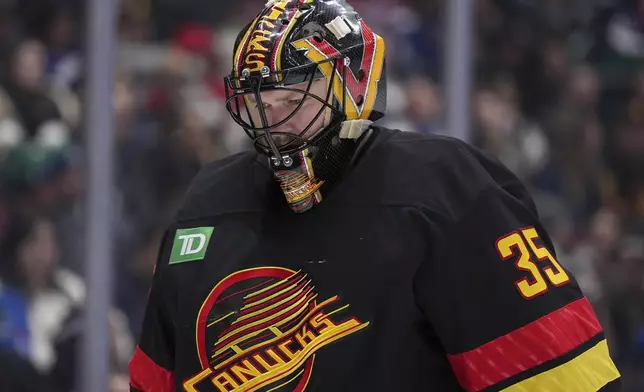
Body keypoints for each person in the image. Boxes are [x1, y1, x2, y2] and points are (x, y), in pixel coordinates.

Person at [129, 1, 622, 391]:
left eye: (291, 102)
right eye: (258, 106)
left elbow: (559, 376)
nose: (272, 126)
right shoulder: (206, 203)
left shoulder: (448, 189)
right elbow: (154, 379)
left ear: (354, 84)